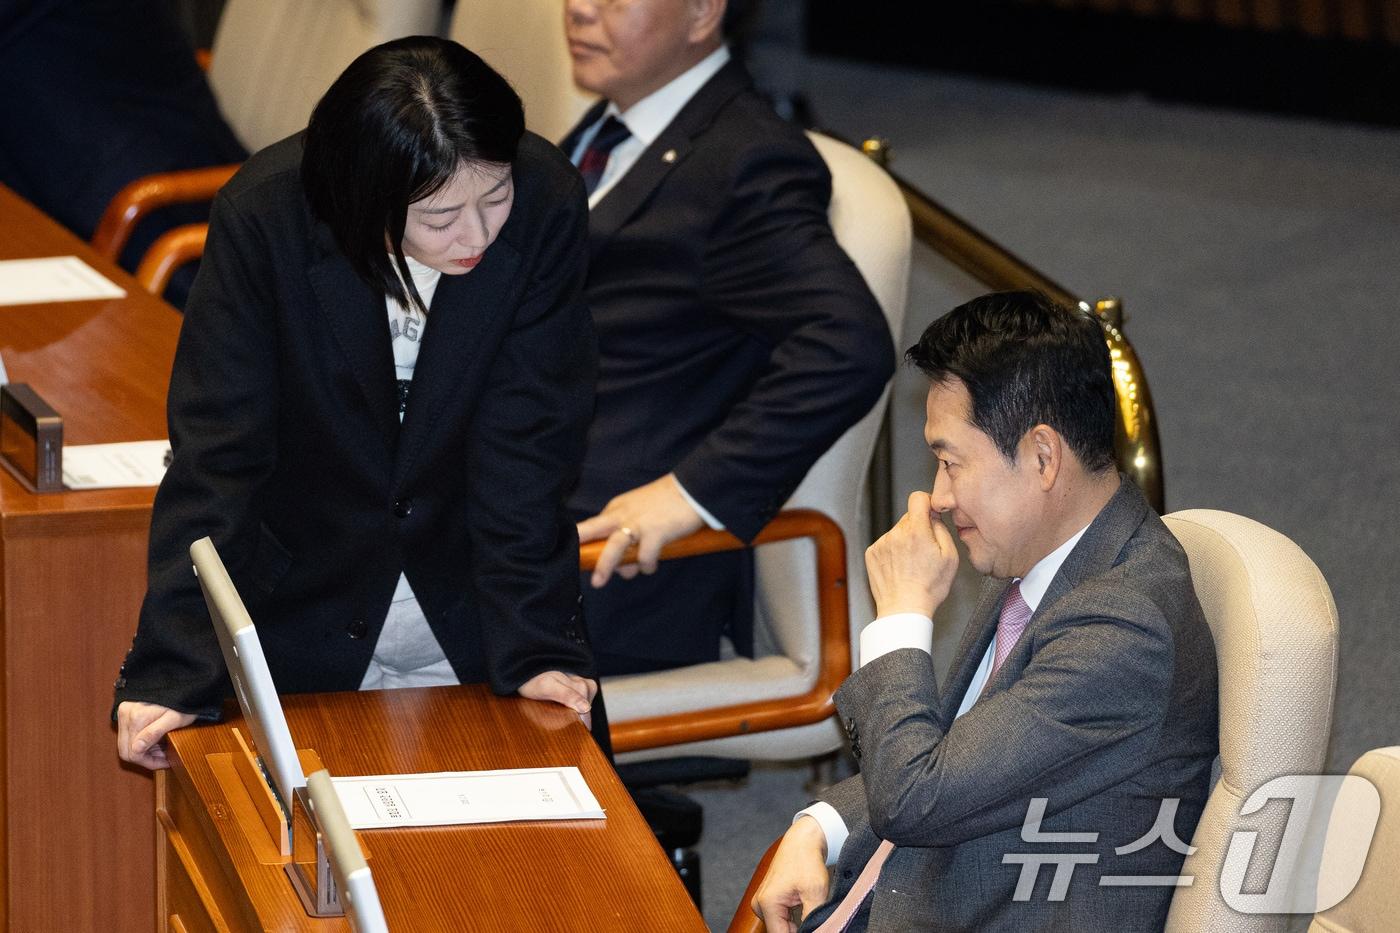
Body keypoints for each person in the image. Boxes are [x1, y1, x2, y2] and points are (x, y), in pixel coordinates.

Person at [114, 36, 603, 770]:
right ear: (365, 202)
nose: (478, 233)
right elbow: (219, 454)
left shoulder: (545, 200)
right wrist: (174, 664)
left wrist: (533, 640)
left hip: (479, 602)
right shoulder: (265, 216)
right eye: (440, 217)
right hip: (301, 602)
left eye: (494, 195)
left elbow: (529, 443)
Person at [752, 291, 1219, 931]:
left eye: (950, 463)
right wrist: (821, 824)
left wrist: (901, 620)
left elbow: (918, 797)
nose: (937, 496)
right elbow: (959, 755)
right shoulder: (1047, 550)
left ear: (1042, 456)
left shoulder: (1122, 629)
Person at [561, 0, 894, 675]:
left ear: (702, 13)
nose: (580, 8)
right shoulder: (617, 122)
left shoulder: (746, 161)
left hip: (594, 569)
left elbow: (848, 341)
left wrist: (689, 491)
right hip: (517, 497)